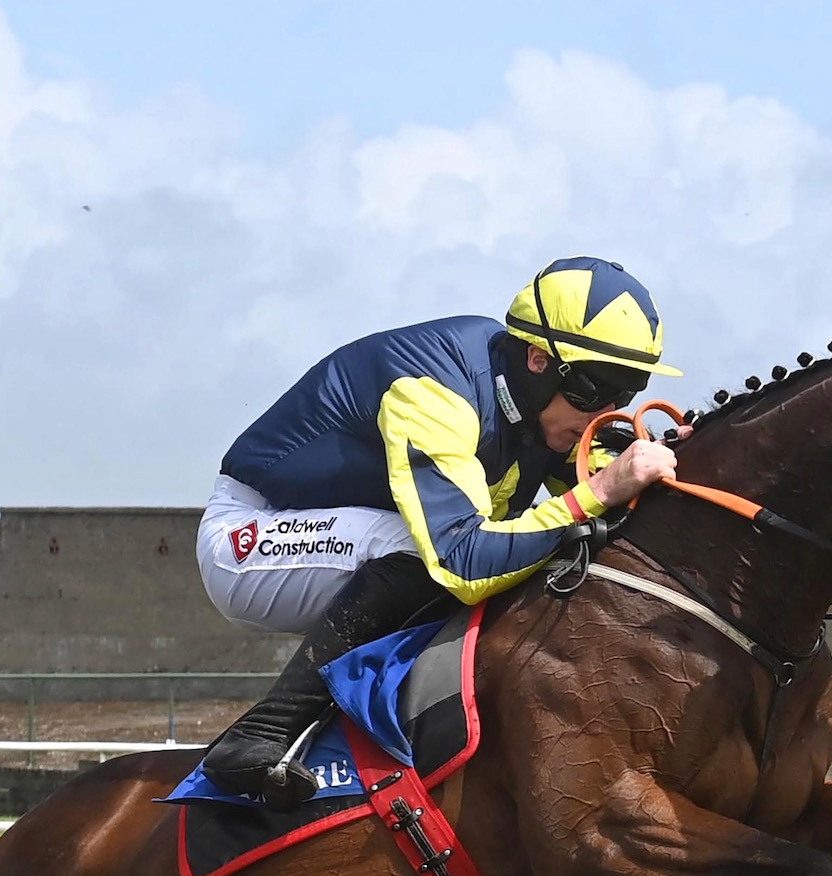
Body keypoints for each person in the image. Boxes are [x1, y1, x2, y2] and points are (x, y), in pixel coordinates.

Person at [195, 256, 682, 807]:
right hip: (250, 539)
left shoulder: (536, 404)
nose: (611, 410)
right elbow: (462, 561)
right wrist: (595, 493)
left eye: (629, 391)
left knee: (535, 551)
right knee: (433, 555)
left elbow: (606, 479)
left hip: (347, 537)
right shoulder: (432, 390)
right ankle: (262, 733)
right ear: (538, 360)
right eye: (598, 390)